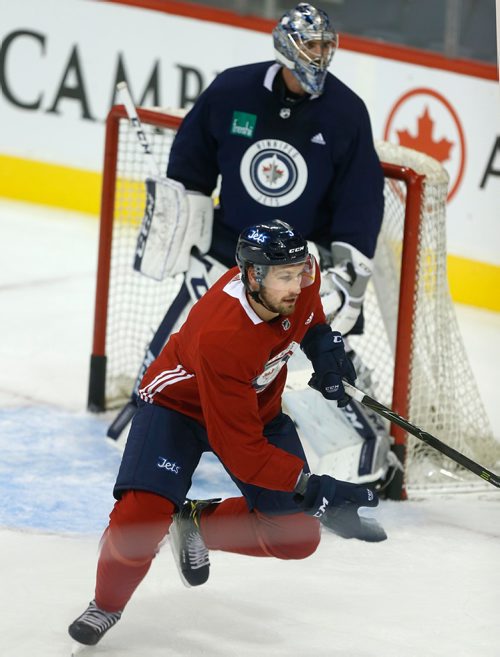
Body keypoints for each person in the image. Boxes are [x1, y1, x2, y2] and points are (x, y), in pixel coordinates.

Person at [68, 220, 384, 650]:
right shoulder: (224, 335)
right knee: (138, 523)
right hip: (177, 410)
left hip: (252, 409)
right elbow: (243, 452)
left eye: (301, 272)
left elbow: (309, 318)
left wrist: (325, 349)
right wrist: (315, 489)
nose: (298, 283)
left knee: (295, 535)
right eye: (284, 276)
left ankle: (195, 523)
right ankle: (105, 604)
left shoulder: (298, 278)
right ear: (252, 276)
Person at [166, 2, 385, 339]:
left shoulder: (347, 112)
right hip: (230, 251)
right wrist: (188, 228)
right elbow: (191, 162)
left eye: (325, 45)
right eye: (310, 44)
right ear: (286, 45)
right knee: (184, 348)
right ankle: (147, 395)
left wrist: (347, 275)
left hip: (304, 263)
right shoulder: (232, 90)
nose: (319, 54)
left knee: (318, 373)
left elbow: (361, 200)